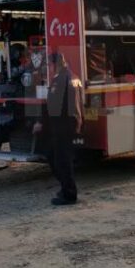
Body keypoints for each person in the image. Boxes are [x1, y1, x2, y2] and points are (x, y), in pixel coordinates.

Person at [34, 52, 84, 205]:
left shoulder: (63, 79)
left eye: (49, 65)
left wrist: (41, 123)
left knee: (63, 161)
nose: (48, 68)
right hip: (63, 125)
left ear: (56, 64)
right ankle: (65, 189)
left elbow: (57, 105)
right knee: (54, 156)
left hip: (63, 126)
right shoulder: (68, 77)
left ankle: (69, 195)